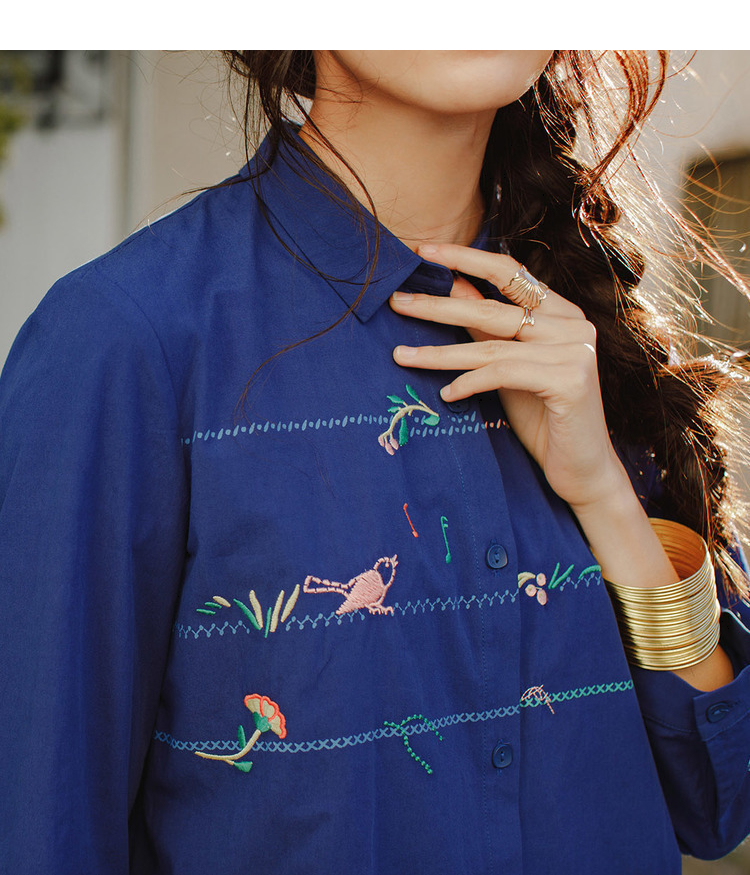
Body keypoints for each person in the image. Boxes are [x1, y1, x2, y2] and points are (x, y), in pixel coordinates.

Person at [1, 50, 749, 874]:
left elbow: (718, 800)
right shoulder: (124, 342)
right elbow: (44, 829)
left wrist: (602, 490)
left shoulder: (584, 334)